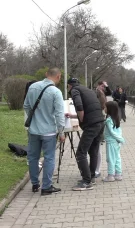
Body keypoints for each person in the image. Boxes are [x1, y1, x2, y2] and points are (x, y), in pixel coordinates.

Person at [23, 68, 65, 196]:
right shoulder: (56, 92)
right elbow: (59, 114)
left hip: (34, 130)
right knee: (49, 158)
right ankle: (46, 186)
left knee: (33, 158)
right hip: (49, 131)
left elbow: (26, 106)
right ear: (58, 77)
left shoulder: (33, 87)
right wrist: (61, 132)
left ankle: (35, 184)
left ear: (46, 74)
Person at [66, 78, 105, 191]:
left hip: (91, 125)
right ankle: (91, 176)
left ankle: (86, 181)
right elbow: (90, 108)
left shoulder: (75, 90)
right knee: (93, 151)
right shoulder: (87, 90)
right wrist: (74, 116)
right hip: (100, 123)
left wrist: (81, 120)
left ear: (69, 86)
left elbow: (79, 106)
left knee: (80, 153)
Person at [103, 101, 125, 182]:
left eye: (105, 107)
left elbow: (112, 132)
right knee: (117, 158)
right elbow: (119, 130)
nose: (104, 109)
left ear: (109, 109)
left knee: (110, 158)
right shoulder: (116, 118)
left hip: (111, 142)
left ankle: (110, 175)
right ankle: (118, 174)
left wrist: (120, 139)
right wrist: (119, 139)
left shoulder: (109, 120)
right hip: (116, 142)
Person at [94, 80, 112, 178]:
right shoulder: (96, 91)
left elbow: (110, 93)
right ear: (99, 85)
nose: (103, 87)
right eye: (102, 86)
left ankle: (97, 169)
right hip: (99, 113)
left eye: (103, 86)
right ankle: (96, 168)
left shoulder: (103, 91)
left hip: (102, 113)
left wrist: (107, 85)